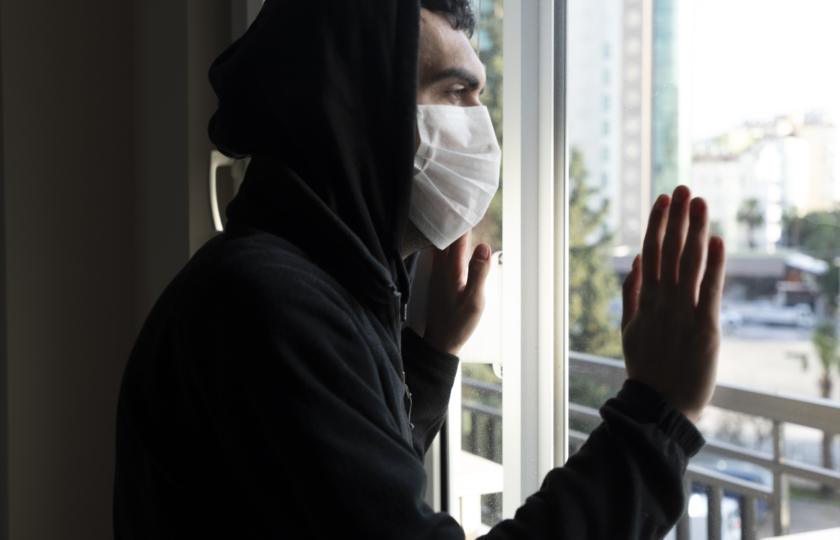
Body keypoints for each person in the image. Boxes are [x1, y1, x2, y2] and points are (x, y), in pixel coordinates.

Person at [113, 1, 726, 538]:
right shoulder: (266, 306)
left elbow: (346, 508)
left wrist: (430, 358)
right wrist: (653, 418)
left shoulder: (308, 287)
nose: (482, 128)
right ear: (357, 116)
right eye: (456, 93)